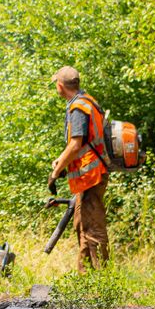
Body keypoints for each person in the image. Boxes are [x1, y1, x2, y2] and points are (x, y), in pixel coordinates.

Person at [48, 66, 110, 271]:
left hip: (91, 175)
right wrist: (61, 161)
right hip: (89, 175)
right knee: (82, 226)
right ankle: (86, 279)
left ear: (60, 85)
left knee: (93, 228)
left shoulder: (78, 108)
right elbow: (80, 145)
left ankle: (102, 282)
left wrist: (56, 172)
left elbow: (75, 144)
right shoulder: (87, 101)